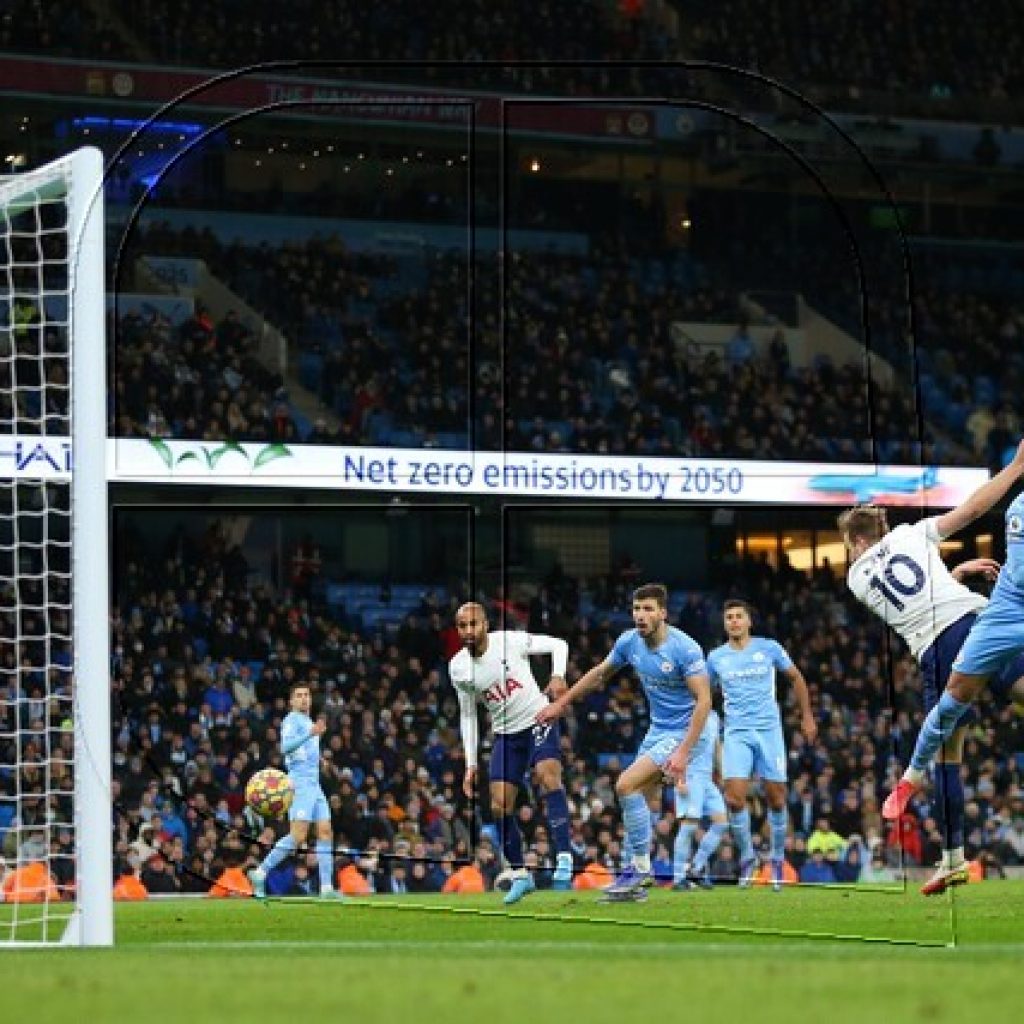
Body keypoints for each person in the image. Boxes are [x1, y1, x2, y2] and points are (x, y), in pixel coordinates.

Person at [842, 440, 1024, 895]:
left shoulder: (856, 579)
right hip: (979, 620)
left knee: (948, 756)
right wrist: (1016, 469)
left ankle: (953, 860)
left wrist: (954, 574)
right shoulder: (911, 534)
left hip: (938, 650)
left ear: (856, 541)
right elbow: (973, 507)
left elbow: (912, 600)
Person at [537, 583, 711, 902]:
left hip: (689, 731)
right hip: (659, 729)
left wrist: (684, 752)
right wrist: (561, 705)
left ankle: (640, 869)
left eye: (648, 609)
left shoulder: (685, 649)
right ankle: (633, 882)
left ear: (663, 613)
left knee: (625, 785)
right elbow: (600, 674)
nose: (640, 616)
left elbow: (704, 702)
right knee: (641, 799)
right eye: (636, 609)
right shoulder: (629, 642)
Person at [448, 602, 571, 905]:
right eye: (462, 626)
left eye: (473, 624)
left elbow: (558, 644)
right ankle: (520, 875)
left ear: (485, 624)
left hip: (538, 718)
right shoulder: (459, 667)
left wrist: (557, 675)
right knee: (500, 804)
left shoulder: (509, 641)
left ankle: (565, 856)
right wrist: (471, 762)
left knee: (547, 775)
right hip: (505, 734)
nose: (467, 631)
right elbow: (468, 715)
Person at [707, 600, 816, 892]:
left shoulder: (768, 648)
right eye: (728, 617)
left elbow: (795, 677)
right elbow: (703, 695)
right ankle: (747, 859)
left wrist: (806, 715)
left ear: (749, 621)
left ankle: (777, 860)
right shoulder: (716, 658)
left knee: (777, 799)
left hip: (768, 731)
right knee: (734, 799)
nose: (733, 622)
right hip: (736, 733)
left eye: (738, 617)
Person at [248, 682, 341, 900]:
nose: (304, 698)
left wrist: (319, 760)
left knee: (325, 831)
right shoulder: (291, 720)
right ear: (291, 701)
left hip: (314, 783)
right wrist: (310, 733)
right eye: (298, 695)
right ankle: (260, 873)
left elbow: (303, 751)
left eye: (306, 695)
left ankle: (326, 888)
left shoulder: (308, 721)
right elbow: (285, 747)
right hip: (299, 783)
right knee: (298, 836)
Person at [672, 708, 729, 890]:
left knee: (721, 823)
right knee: (689, 826)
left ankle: (696, 869)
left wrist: (724, 774)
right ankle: (678, 877)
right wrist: (679, 777)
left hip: (707, 778)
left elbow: (717, 746)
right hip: (691, 775)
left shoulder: (713, 716)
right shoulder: (687, 712)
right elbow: (677, 744)